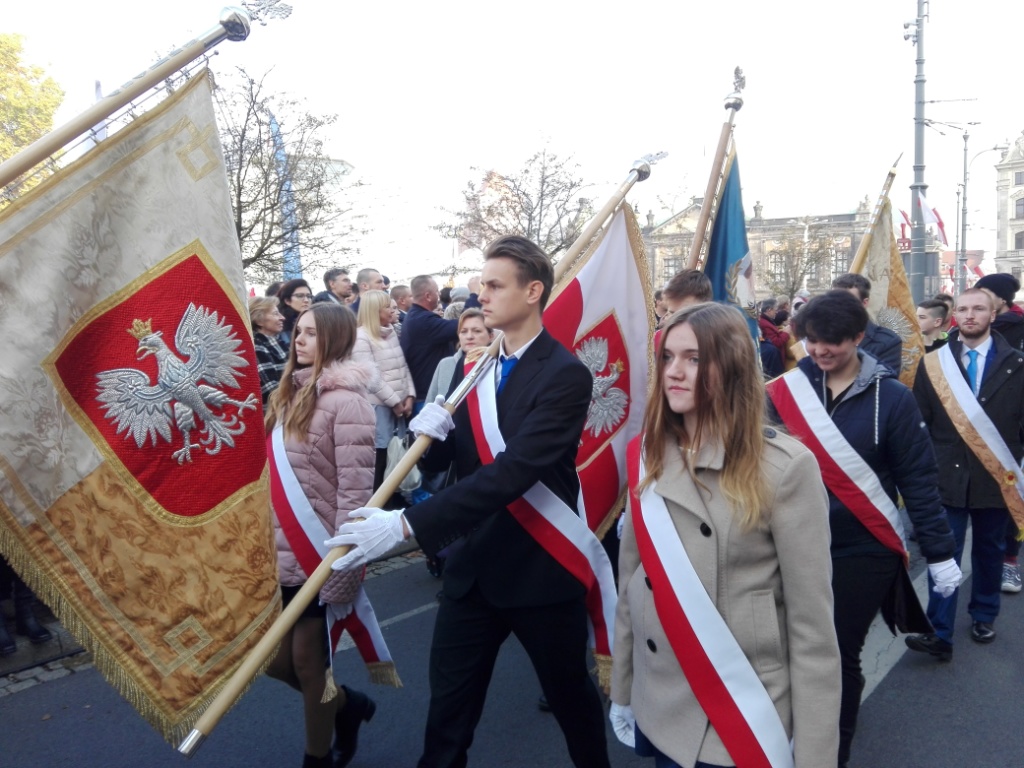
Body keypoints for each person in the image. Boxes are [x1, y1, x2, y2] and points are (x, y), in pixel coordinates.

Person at [328, 236, 613, 768]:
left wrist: (408, 527)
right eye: (481, 283)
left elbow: (515, 472)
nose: (482, 294)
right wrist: (429, 439)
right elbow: (447, 468)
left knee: (573, 704)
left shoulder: (565, 374)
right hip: (473, 571)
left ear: (533, 292)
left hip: (538, 567)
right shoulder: (473, 369)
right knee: (447, 721)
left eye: (495, 285)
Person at [611, 302, 841, 768]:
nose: (675, 372)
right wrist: (622, 687)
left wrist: (815, 754)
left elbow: (811, 628)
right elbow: (631, 583)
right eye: (668, 357)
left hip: (742, 710)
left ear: (732, 366)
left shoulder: (785, 468)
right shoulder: (647, 455)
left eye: (694, 359)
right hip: (663, 701)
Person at [768, 291, 958, 767]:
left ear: (858, 337)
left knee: (835, 653)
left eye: (832, 342)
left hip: (861, 547)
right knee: (786, 650)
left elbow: (917, 477)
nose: (820, 351)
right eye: (811, 341)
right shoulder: (783, 392)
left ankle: (830, 754)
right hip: (789, 544)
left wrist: (939, 552)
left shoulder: (892, 398)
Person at [263, 303, 378, 768]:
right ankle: (348, 707)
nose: (299, 340)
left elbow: (356, 494)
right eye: (297, 331)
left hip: (318, 553)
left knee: (310, 665)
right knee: (273, 663)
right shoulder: (285, 393)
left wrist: (345, 564)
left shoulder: (349, 403)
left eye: (311, 333)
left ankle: (318, 758)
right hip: (277, 553)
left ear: (335, 338)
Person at [907, 287, 1024, 656]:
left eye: (978, 309)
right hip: (947, 475)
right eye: (963, 309)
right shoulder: (933, 364)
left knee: (990, 549)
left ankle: (984, 614)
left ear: (993, 314)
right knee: (945, 551)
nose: (970, 315)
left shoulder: (1017, 364)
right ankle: (938, 631)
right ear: (954, 315)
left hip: (996, 475)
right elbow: (919, 421)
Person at [352, 290, 416, 492]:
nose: (392, 310)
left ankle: (396, 494)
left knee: (398, 453)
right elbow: (371, 377)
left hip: (398, 406)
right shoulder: (361, 337)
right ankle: (379, 500)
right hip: (379, 408)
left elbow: (402, 366)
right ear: (374, 310)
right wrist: (395, 402)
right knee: (381, 456)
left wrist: (410, 396)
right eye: (387, 306)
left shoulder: (390, 332)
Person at [400, 275, 459, 412]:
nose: (439, 294)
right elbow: (460, 327)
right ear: (428, 296)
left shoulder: (416, 316)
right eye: (437, 291)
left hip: (423, 392)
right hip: (426, 397)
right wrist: (473, 296)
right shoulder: (423, 320)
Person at [832, 274, 902, 375]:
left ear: (864, 303)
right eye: (834, 300)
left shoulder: (888, 341)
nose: (839, 306)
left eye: (848, 300)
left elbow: (883, 383)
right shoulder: (819, 336)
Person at [249, 295, 288, 405]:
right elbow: (272, 391)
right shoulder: (257, 346)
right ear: (259, 320)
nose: (282, 317)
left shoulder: (277, 342)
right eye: (276, 314)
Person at [277, 279, 314, 347]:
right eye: (300, 296)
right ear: (287, 300)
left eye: (309, 296)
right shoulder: (280, 323)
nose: (306, 300)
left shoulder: (315, 320)